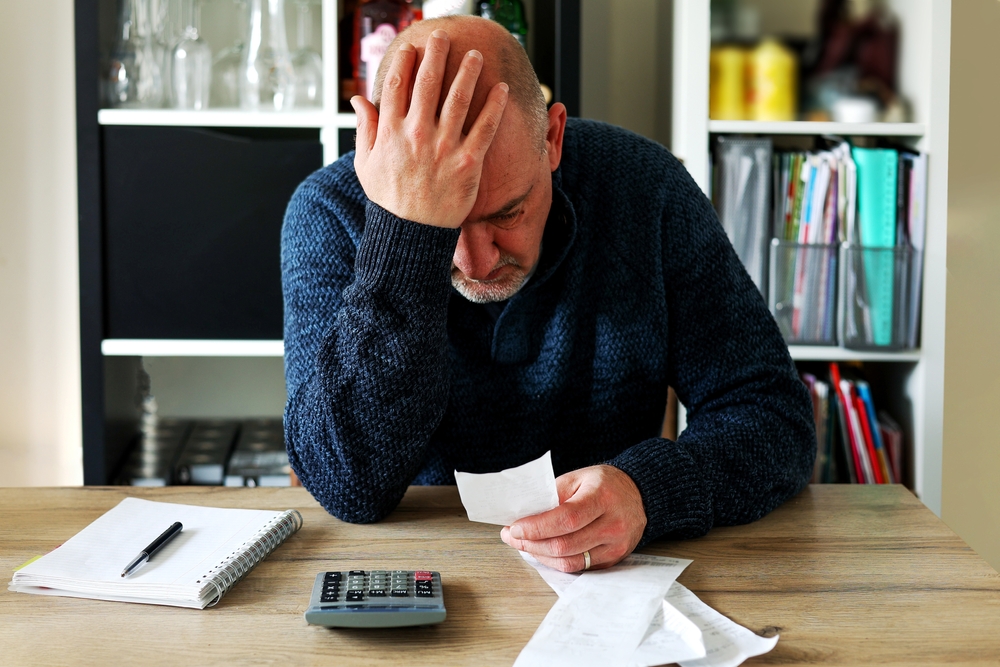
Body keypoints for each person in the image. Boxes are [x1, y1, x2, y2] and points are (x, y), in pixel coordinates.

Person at [281, 15, 815, 573]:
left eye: (507, 212)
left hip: (612, 576)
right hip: (417, 575)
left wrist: (648, 493)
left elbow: (773, 415)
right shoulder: (328, 212)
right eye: (448, 229)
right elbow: (347, 486)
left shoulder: (644, 189)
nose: (477, 262)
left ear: (553, 138)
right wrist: (404, 235)